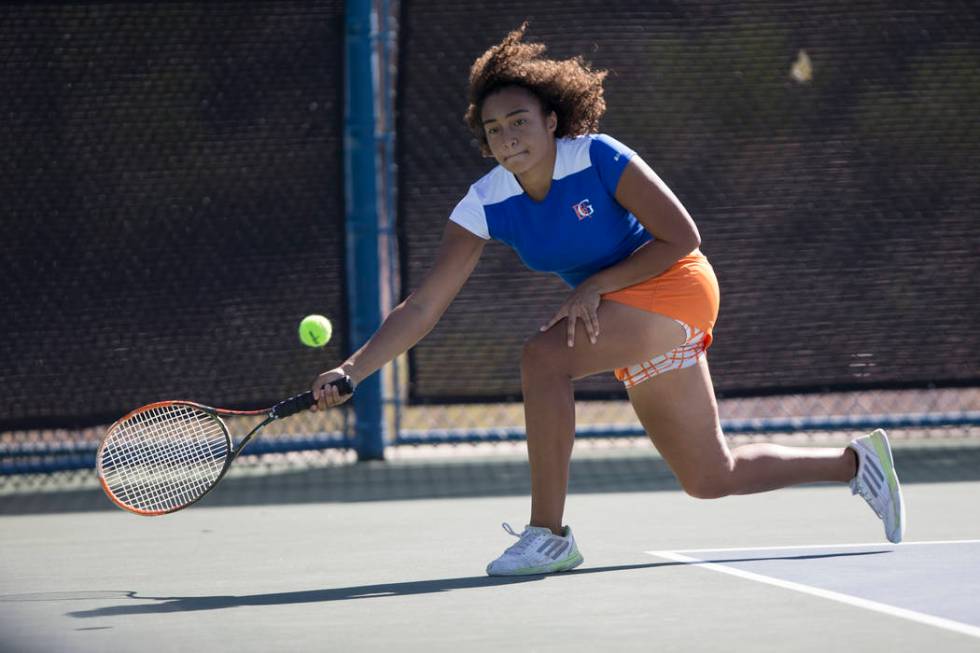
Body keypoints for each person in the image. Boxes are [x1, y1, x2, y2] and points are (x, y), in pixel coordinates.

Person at [311, 24, 905, 576]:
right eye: (495, 130)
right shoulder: (483, 205)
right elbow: (422, 306)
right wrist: (352, 368)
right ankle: (855, 464)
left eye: (519, 120)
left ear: (551, 119)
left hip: (677, 284)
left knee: (544, 358)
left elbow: (682, 237)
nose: (508, 137)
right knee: (708, 475)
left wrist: (596, 285)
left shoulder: (596, 156)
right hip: (622, 311)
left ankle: (549, 534)